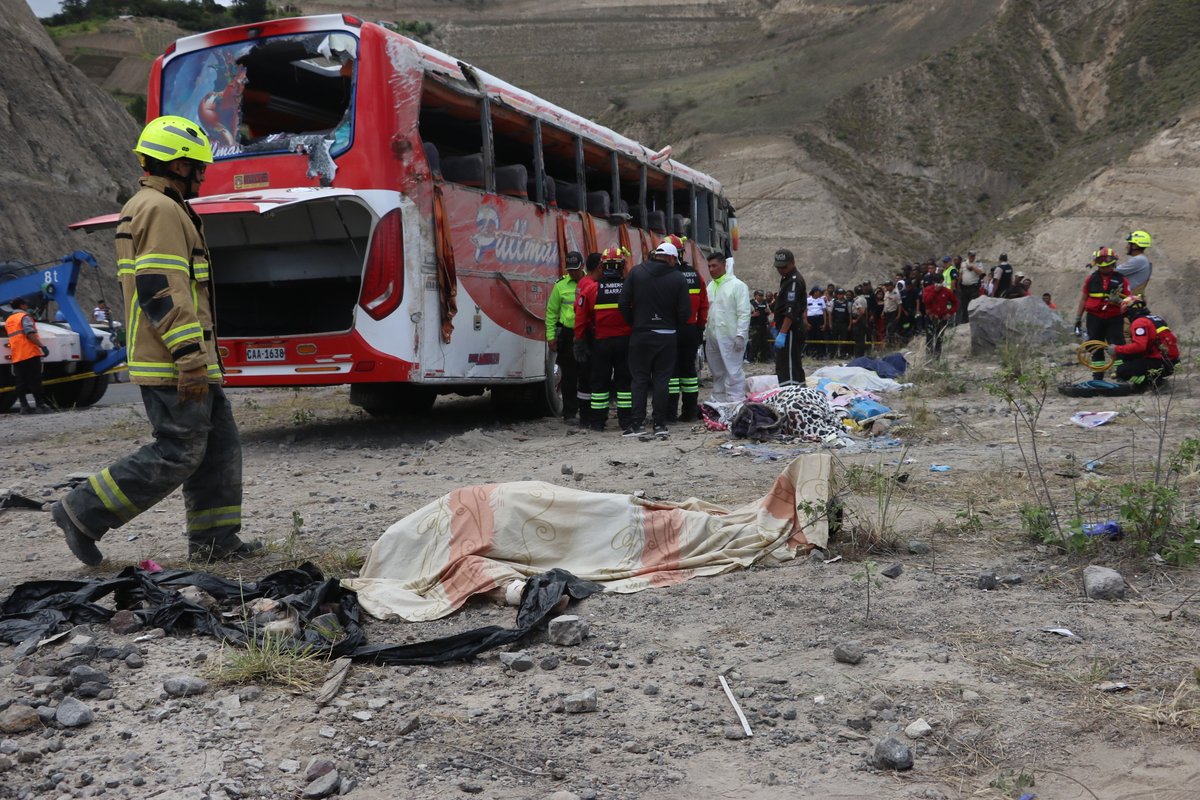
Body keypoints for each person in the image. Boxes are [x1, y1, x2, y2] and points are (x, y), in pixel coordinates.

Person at [51, 115, 260, 566]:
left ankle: (215, 540)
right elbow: (161, 287)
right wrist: (188, 356)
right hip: (173, 358)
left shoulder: (161, 206)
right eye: (198, 165)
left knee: (218, 446)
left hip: (186, 354)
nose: (203, 173)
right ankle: (81, 511)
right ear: (178, 165)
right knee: (179, 451)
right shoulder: (160, 209)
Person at [619, 241, 690, 438]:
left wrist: (636, 323)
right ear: (669, 257)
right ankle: (659, 425)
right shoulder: (678, 278)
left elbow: (623, 303)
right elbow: (685, 312)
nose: (676, 263)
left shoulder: (636, 272)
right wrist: (671, 324)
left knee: (639, 380)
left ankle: (637, 424)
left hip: (640, 335)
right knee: (662, 381)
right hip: (666, 337)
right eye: (675, 259)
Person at [576, 247, 632, 432]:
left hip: (601, 342)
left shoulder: (592, 289)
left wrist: (580, 340)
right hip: (625, 342)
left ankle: (598, 422)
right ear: (621, 266)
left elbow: (581, 317)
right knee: (624, 383)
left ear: (603, 265)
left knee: (599, 382)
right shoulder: (629, 288)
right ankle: (626, 421)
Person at [664, 235, 707, 423]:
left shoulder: (667, 277)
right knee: (689, 372)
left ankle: (669, 414)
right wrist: (699, 327)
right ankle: (689, 412)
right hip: (691, 329)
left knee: (670, 372)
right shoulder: (696, 276)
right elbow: (704, 305)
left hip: (671, 330)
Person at [1074, 246, 1129, 380]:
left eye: (1108, 266)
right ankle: (1098, 374)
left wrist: (1118, 300)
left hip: (1114, 318)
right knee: (1095, 345)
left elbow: (1128, 300)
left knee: (1117, 345)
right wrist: (1077, 318)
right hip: (1094, 317)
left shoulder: (1122, 280)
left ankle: (1121, 373)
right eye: (1102, 266)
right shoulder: (1091, 279)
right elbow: (1083, 298)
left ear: (1113, 264)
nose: (1105, 269)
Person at [705, 253, 751, 404]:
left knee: (733, 371)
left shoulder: (737, 286)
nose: (711, 269)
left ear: (724, 265)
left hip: (730, 337)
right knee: (717, 371)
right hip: (713, 337)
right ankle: (719, 400)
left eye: (714, 266)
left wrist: (741, 335)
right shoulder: (711, 286)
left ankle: (735, 401)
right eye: (709, 266)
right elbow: (708, 311)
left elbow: (744, 313)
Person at [546, 251, 585, 423]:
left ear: (582, 267)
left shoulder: (590, 282)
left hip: (586, 334)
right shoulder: (560, 286)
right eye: (570, 270)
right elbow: (551, 313)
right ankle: (569, 414)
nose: (573, 273)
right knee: (569, 376)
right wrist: (551, 337)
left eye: (576, 270)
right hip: (568, 335)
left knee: (587, 375)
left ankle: (587, 412)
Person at [1109, 297, 1177, 390]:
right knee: (1127, 356)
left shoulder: (1139, 322)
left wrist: (1116, 349)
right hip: (1171, 361)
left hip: (1161, 362)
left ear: (1128, 313)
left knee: (1122, 371)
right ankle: (1148, 381)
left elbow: (1140, 346)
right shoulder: (1156, 318)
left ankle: (1154, 383)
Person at [571, 252, 603, 428]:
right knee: (589, 378)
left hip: (585, 334)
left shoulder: (585, 283)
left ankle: (586, 416)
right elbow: (581, 312)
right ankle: (587, 417)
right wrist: (580, 339)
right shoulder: (590, 285)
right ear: (599, 266)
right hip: (589, 335)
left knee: (586, 378)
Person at [5, 297, 51, 414]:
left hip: (17, 355)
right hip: (30, 353)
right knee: (35, 381)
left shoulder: (9, 320)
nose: (27, 306)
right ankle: (40, 405)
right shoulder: (24, 317)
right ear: (22, 306)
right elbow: (29, 333)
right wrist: (42, 346)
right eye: (25, 304)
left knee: (20, 382)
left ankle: (24, 407)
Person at [771, 249, 808, 386]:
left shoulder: (794, 281)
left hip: (790, 329)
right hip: (786, 328)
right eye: (778, 267)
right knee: (786, 363)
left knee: (789, 365)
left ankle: (792, 394)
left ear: (792, 263)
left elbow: (790, 310)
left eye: (784, 267)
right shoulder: (786, 279)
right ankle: (796, 392)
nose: (780, 270)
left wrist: (782, 333)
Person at [921, 273, 958, 357]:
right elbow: (926, 301)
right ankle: (929, 358)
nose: (939, 284)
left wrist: (950, 313)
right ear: (934, 282)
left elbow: (955, 303)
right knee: (929, 338)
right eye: (937, 282)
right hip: (931, 317)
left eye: (940, 282)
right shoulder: (928, 289)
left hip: (942, 318)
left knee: (939, 339)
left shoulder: (947, 291)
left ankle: (937, 358)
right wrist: (935, 291)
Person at [1116, 230, 1152, 299]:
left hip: (1131, 299)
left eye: (1129, 244)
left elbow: (1115, 272)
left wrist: (1110, 260)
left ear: (1135, 246)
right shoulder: (1142, 259)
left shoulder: (1139, 260)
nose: (1126, 247)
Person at [959, 250, 984, 322]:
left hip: (973, 287)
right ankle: (964, 321)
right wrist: (958, 285)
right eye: (970, 255)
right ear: (968, 256)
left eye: (973, 256)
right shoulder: (963, 263)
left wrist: (973, 267)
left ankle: (973, 320)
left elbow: (981, 273)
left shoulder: (978, 263)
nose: (972, 257)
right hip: (964, 287)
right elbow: (961, 274)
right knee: (964, 305)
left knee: (973, 305)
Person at [748, 289, 770, 362]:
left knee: (764, 342)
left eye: (762, 295)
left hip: (763, 325)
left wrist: (768, 312)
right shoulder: (751, 303)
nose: (761, 297)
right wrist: (753, 315)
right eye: (759, 295)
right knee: (754, 342)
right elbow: (746, 314)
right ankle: (752, 358)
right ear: (755, 296)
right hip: (754, 325)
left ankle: (763, 358)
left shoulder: (765, 303)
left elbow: (769, 312)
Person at [805, 287, 828, 357]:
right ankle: (811, 353)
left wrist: (824, 323)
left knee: (820, 336)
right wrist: (806, 323)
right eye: (819, 291)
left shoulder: (821, 300)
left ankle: (820, 354)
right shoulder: (807, 300)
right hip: (810, 319)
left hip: (819, 319)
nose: (820, 293)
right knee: (811, 336)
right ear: (815, 292)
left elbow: (824, 312)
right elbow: (804, 312)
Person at [830, 288, 851, 358]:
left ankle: (843, 354)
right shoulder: (833, 302)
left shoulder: (847, 303)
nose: (840, 296)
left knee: (843, 340)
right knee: (834, 339)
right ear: (837, 295)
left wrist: (850, 324)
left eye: (841, 294)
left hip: (844, 324)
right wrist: (830, 324)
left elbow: (850, 314)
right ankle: (834, 354)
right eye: (839, 294)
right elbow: (830, 314)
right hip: (835, 323)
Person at [850, 285, 870, 358]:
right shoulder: (864, 299)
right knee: (862, 339)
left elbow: (861, 311)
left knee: (858, 339)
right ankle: (861, 355)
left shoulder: (857, 300)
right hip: (863, 319)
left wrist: (856, 320)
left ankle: (858, 355)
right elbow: (866, 311)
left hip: (858, 319)